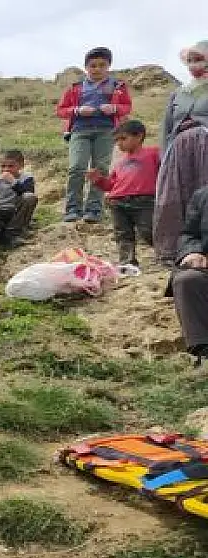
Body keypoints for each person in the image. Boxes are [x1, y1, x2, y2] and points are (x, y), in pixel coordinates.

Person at [55, 46, 133, 223]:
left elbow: (127, 106)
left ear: (108, 66)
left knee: (101, 169)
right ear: (86, 67)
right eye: (93, 65)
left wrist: (114, 108)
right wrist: (78, 110)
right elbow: (60, 110)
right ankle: (72, 209)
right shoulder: (75, 87)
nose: (97, 69)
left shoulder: (118, 86)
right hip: (79, 131)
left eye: (102, 65)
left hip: (106, 132)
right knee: (76, 168)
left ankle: (94, 209)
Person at [154, 41, 208, 266]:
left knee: (204, 195)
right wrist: (164, 156)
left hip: (205, 143)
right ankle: (173, 250)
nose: (194, 65)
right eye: (191, 60)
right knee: (174, 197)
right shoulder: (178, 93)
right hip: (178, 148)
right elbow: (167, 127)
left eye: (200, 59)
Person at [87, 120, 161, 266]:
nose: (119, 144)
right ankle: (127, 262)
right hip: (117, 202)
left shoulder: (153, 153)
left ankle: (167, 253)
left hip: (144, 200)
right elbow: (111, 185)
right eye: (116, 140)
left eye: (123, 138)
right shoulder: (120, 162)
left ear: (139, 136)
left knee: (148, 231)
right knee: (122, 234)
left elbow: (165, 171)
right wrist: (98, 180)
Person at [166, 186, 208, 365]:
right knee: (187, 280)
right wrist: (191, 252)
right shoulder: (203, 195)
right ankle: (203, 349)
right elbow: (189, 234)